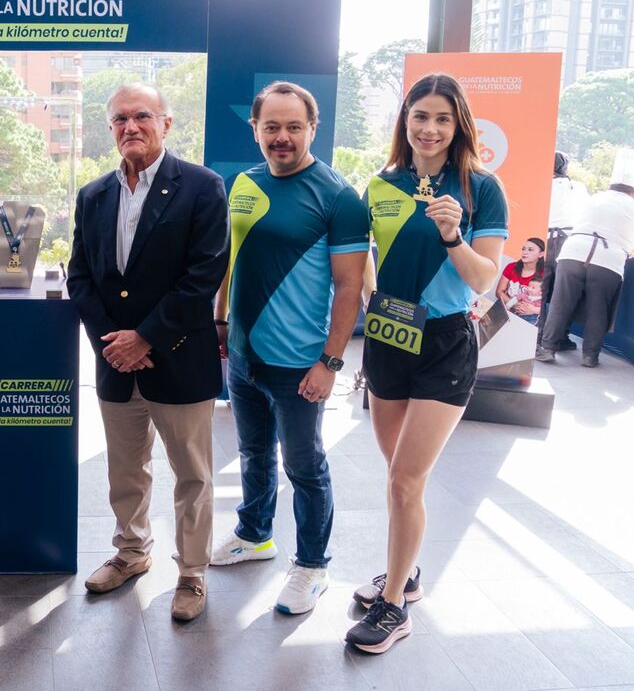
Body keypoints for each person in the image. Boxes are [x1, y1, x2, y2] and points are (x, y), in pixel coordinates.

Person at [347, 73, 507, 654]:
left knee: (405, 479)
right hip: (389, 336)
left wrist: (452, 235)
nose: (430, 129)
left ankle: (394, 606)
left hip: (444, 342)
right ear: (405, 121)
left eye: (442, 118)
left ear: (458, 124)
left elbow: (485, 279)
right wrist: (370, 297)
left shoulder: (481, 188)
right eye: (420, 117)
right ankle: (405, 574)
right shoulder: (382, 183)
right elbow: (362, 254)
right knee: (398, 479)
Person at [67, 82, 229, 622]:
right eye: (119, 119)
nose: (130, 127)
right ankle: (132, 553)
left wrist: (146, 338)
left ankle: (192, 574)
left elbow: (203, 275)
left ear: (166, 123)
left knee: (192, 475)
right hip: (116, 365)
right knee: (125, 472)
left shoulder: (203, 187)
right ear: (109, 127)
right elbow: (81, 276)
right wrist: (114, 344)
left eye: (142, 116)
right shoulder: (93, 194)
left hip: (179, 360)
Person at [208, 82, 368, 616]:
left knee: (304, 466)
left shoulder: (338, 197)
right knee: (252, 452)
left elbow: (349, 287)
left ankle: (313, 566)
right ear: (254, 128)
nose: (282, 137)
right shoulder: (244, 183)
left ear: (312, 129)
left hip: (300, 364)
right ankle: (254, 534)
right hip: (245, 355)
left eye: (293, 126)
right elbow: (235, 256)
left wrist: (330, 362)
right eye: (271, 126)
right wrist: (221, 317)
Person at [536, 148, 634, 368]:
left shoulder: (596, 197)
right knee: (598, 309)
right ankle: (590, 356)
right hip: (608, 260)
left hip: (573, 251)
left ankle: (548, 348)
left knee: (561, 303)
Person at [538, 152, 588, 347]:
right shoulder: (579, 188)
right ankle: (560, 337)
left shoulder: (541, 185)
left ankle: (536, 337)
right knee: (565, 294)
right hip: (570, 243)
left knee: (539, 290)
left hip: (544, 239)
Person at [496, 237, 545, 324]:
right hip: (507, 312)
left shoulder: (545, 274)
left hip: (531, 318)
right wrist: (514, 305)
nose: (525, 252)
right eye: (523, 249)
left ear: (541, 254)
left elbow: (551, 305)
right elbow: (499, 292)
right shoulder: (511, 267)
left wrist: (533, 310)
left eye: (530, 250)